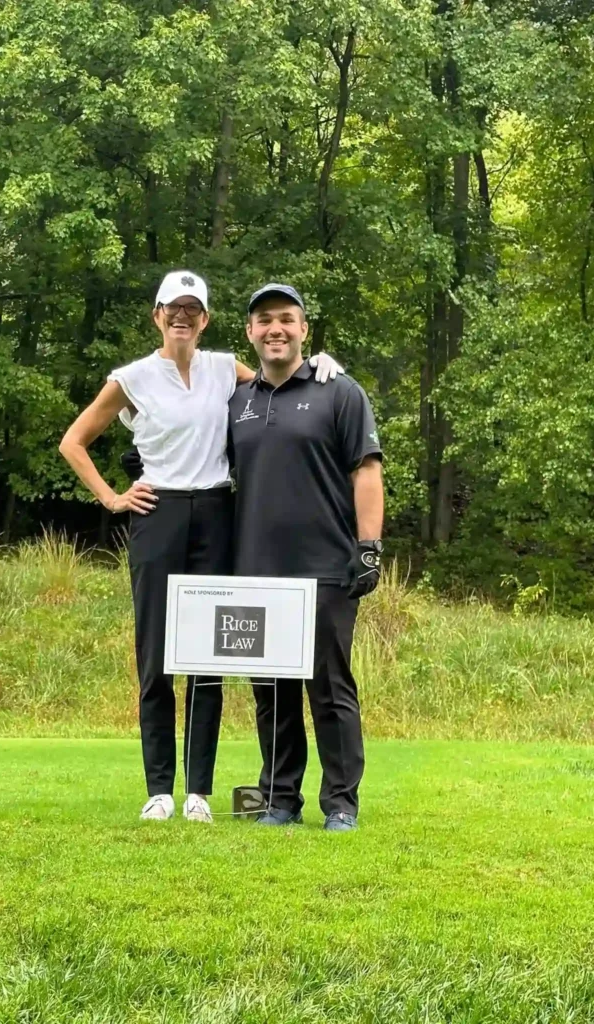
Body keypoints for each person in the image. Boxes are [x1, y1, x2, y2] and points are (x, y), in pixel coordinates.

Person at [59, 270, 341, 823]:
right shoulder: (132, 377)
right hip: (157, 512)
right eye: (172, 308)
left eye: (193, 309)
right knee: (156, 655)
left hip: (216, 512)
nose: (182, 317)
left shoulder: (221, 368)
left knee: (207, 657)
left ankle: (198, 793)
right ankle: (160, 788)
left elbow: (278, 381)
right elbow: (74, 441)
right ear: (157, 315)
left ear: (205, 318)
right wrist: (113, 498)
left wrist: (324, 368)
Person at [227, 283, 384, 832]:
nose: (276, 328)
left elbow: (365, 467)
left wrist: (370, 547)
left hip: (326, 566)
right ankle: (278, 799)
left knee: (330, 689)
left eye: (287, 319)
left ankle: (341, 803)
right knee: (271, 692)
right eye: (265, 320)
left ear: (303, 330)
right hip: (253, 570)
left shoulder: (339, 391)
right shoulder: (237, 401)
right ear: (249, 332)